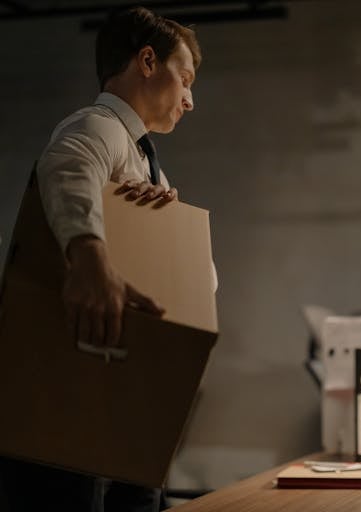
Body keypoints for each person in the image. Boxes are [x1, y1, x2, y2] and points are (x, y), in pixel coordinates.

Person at [0, 6, 201, 512]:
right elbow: (69, 166)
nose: (190, 99)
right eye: (186, 78)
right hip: (67, 398)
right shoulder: (99, 125)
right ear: (148, 61)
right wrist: (89, 258)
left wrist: (163, 229)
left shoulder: (145, 160)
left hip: (114, 398)